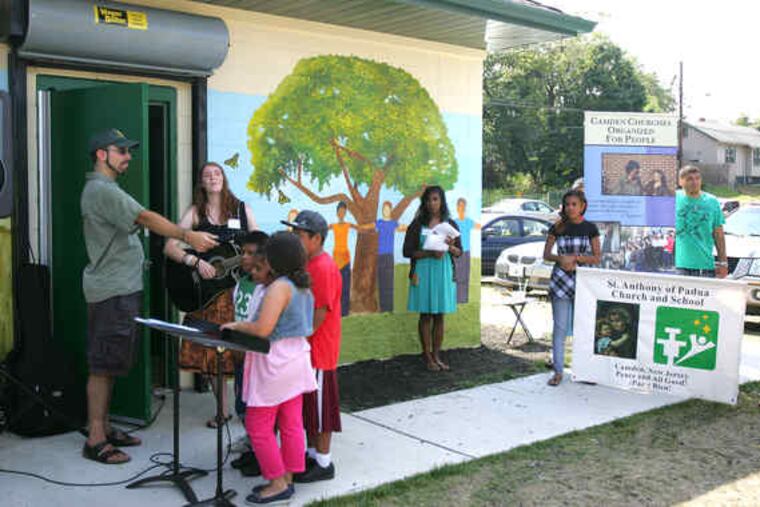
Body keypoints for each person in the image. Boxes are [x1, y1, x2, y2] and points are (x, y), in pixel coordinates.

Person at [81, 129, 218, 464]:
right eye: (121, 151)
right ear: (102, 154)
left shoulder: (108, 189)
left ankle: (104, 425)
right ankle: (96, 438)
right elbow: (143, 217)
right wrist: (188, 235)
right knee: (102, 365)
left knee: (111, 362)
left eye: (129, 151)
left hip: (120, 288)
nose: (128, 156)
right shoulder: (101, 190)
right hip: (112, 291)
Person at [221, 232, 317, 504]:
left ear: (274, 259)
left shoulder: (279, 288)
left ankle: (276, 482)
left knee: (258, 424)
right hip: (296, 358)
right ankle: (288, 477)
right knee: (290, 422)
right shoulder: (300, 285)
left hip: (274, 362)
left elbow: (263, 329)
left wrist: (237, 326)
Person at [164, 161, 257, 428]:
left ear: (224, 179)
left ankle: (248, 407)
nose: (213, 178)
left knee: (241, 353)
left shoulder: (243, 209)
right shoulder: (195, 213)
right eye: (207, 175)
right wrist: (195, 262)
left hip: (239, 294)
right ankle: (223, 410)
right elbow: (170, 247)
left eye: (217, 173)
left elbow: (259, 246)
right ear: (202, 183)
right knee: (212, 353)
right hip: (206, 295)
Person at [282, 211, 343, 483]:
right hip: (307, 350)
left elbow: (320, 312)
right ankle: (310, 454)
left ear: (317, 239)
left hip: (319, 351)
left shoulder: (323, 266)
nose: (295, 239)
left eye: (300, 235)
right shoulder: (308, 263)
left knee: (320, 409)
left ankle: (324, 462)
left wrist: (301, 338)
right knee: (309, 408)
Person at [542, 189, 600, 386]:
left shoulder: (590, 228)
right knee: (559, 327)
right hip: (560, 281)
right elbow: (546, 254)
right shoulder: (556, 227)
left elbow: (596, 257)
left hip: (583, 281)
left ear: (582, 206)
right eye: (567, 204)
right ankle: (558, 371)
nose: (570, 208)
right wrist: (561, 258)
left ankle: (584, 371)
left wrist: (576, 258)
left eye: (574, 204)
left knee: (584, 327)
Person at [402, 186, 463, 371]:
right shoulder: (417, 224)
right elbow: (407, 251)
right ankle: (427, 357)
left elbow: (460, 252)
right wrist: (429, 252)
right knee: (426, 315)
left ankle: (437, 355)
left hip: (442, 271)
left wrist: (450, 247)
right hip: (423, 270)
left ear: (442, 201)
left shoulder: (450, 224)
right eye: (428, 200)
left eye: (435, 199)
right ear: (424, 203)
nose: (432, 203)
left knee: (439, 315)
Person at [230, 230, 270, 477]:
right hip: (239, 353)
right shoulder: (242, 280)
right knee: (241, 403)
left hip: (255, 355)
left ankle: (260, 455)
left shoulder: (268, 288)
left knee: (257, 408)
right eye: (242, 252)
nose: (244, 257)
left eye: (250, 253)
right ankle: (252, 448)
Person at [675, 165, 728, 278]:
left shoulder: (712, 201)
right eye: (689, 179)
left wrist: (723, 262)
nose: (694, 182)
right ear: (680, 181)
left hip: (704, 266)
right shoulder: (672, 199)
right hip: (678, 266)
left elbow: (718, 234)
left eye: (697, 178)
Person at [328, 201, 361, 316]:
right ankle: (336, 310)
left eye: (344, 211)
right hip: (336, 258)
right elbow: (322, 229)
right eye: (340, 211)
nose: (342, 213)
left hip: (345, 257)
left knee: (346, 286)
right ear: (337, 213)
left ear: (345, 213)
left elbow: (360, 228)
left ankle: (345, 312)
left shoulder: (348, 225)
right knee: (336, 286)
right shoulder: (333, 226)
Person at [453, 197, 480, 304]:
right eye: (460, 206)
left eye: (463, 206)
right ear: (457, 207)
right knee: (456, 275)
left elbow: (479, 226)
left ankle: (463, 299)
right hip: (456, 251)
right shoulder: (454, 222)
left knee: (465, 276)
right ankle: (455, 298)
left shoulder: (469, 221)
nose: (461, 208)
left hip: (466, 252)